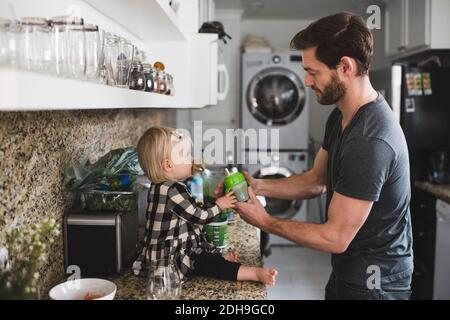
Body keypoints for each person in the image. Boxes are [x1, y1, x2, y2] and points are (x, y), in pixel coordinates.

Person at [225, 12, 413, 299]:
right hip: (349, 269)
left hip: (376, 283)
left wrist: (265, 221)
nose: (307, 81)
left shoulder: (370, 140)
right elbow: (316, 181)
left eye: (313, 71)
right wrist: (257, 186)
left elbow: (335, 237)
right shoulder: (340, 116)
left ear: (345, 67)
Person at [133, 126, 277, 285]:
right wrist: (219, 205)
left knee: (205, 249)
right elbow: (198, 217)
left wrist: (214, 204)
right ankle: (254, 273)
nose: (191, 158)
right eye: (186, 155)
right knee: (211, 265)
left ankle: (220, 257)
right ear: (168, 165)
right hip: (171, 257)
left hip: (174, 248)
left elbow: (190, 212)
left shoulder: (161, 187)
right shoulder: (171, 190)